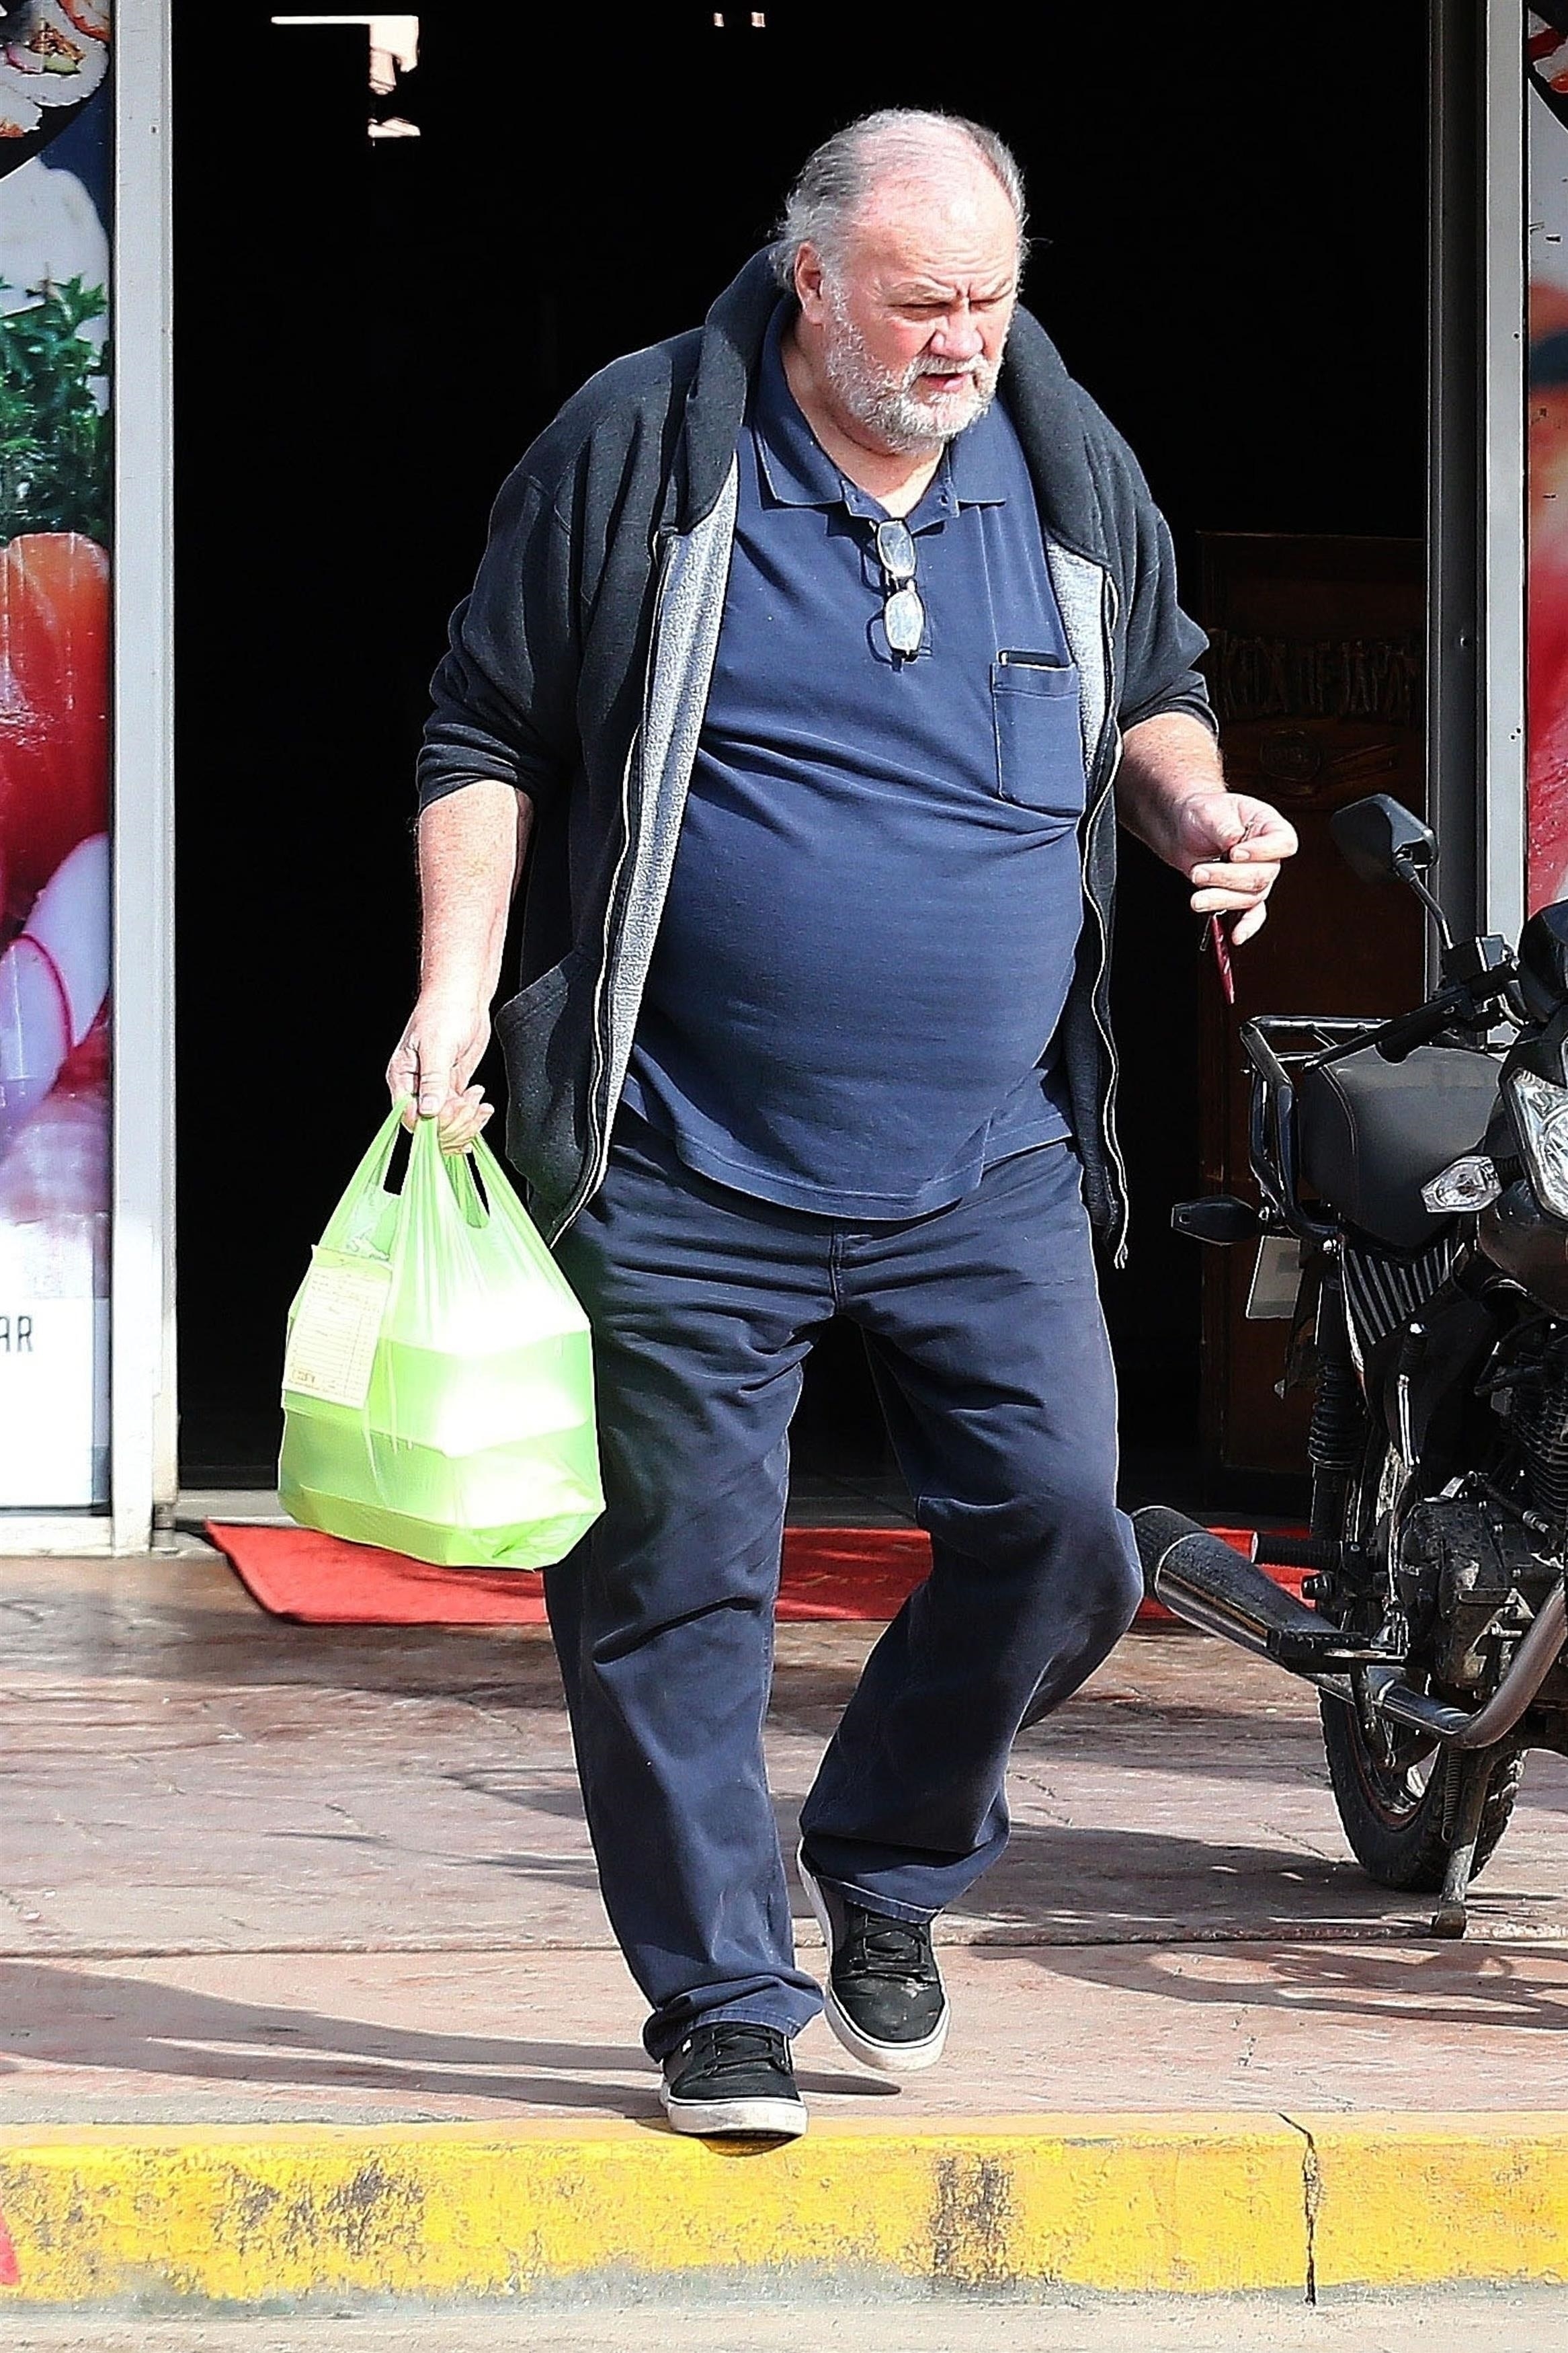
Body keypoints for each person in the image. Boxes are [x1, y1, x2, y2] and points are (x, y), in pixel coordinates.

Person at [390, 110, 1297, 2140]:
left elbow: (1154, 683)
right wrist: (455, 991)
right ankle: (722, 1995)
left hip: (988, 1152)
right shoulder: (647, 442)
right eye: (921, 301)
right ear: (813, 280)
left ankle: (887, 1849)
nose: (965, 339)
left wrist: (1196, 808)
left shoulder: (1062, 457)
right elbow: (485, 728)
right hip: (682, 1150)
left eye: (993, 296)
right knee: (670, 1594)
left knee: (1065, 1534)